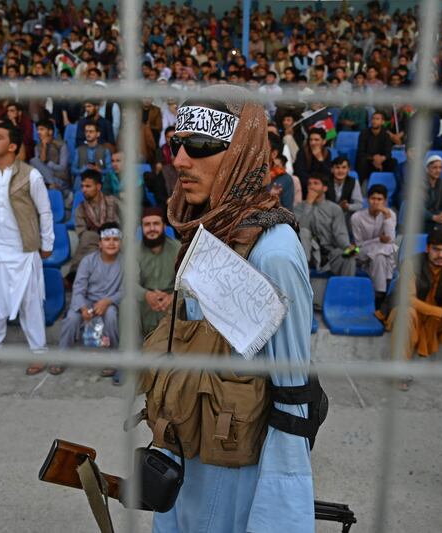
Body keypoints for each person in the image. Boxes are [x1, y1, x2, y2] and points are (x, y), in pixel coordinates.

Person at [154, 86, 314, 533]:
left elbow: (292, 396)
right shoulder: (205, 228)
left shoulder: (273, 252)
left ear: (240, 152)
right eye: (175, 144)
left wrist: (281, 512)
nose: (180, 160)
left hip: (234, 476)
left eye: (201, 146)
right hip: (187, 452)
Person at [0, 121, 54, 375]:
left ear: (13, 146)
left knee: (30, 303)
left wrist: (47, 243)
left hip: (23, 250)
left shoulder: (31, 175)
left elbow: (45, 211)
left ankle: (39, 352)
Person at [379, 227, 442, 392]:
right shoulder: (411, 263)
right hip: (406, 311)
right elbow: (408, 299)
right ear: (427, 248)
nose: (441, 255)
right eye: (436, 250)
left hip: (430, 316)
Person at [58, 222, 123, 377]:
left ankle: (114, 360)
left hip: (110, 303)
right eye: (107, 240)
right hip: (87, 301)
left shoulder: (125, 262)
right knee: (72, 318)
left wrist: (107, 301)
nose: (112, 243)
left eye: (115, 239)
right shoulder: (88, 261)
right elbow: (78, 287)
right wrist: (82, 308)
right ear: (100, 243)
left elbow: (126, 290)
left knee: (112, 315)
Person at [294, 173, 356, 276]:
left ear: (325, 188)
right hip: (307, 255)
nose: (311, 186)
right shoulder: (299, 207)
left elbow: (340, 233)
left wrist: (347, 247)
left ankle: (346, 290)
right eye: (309, 184)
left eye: (316, 183)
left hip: (330, 254)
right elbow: (300, 229)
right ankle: (304, 272)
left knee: (349, 256)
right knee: (304, 232)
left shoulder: (334, 209)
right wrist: (308, 204)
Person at [351, 184, 398, 305]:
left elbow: (391, 239)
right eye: (373, 199)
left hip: (381, 254)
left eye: (379, 199)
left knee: (380, 256)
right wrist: (378, 240)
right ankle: (383, 294)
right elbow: (358, 245)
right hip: (361, 253)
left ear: (385, 201)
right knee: (385, 250)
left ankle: (379, 294)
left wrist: (387, 217)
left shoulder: (390, 214)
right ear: (367, 200)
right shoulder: (357, 217)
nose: (376, 202)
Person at [137, 207, 180, 337]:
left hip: (171, 300)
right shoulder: (133, 251)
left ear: (164, 226)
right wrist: (146, 295)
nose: (151, 228)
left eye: (156, 224)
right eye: (147, 225)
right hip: (144, 301)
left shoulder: (178, 248)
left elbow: (187, 282)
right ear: (142, 228)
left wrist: (173, 297)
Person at [68, 169, 119, 275]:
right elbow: (81, 233)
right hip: (93, 245)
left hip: (115, 240)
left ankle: (74, 274)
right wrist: (100, 242)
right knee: (87, 238)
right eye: (82, 186)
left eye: (88, 186)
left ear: (98, 187)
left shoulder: (113, 202)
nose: (83, 190)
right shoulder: (80, 208)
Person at [30, 119, 70, 195]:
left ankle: (54, 186)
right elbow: (38, 165)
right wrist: (44, 147)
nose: (38, 132)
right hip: (44, 179)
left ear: (50, 132)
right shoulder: (37, 147)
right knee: (33, 163)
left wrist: (48, 164)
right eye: (38, 130)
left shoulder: (61, 145)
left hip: (59, 178)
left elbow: (62, 167)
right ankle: (52, 185)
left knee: (34, 161)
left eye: (42, 129)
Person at [355, 111, 396, 183]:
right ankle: (360, 186)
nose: (374, 121)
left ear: (382, 122)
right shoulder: (364, 133)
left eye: (377, 119)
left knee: (393, 162)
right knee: (361, 161)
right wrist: (373, 158)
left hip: (381, 162)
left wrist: (381, 159)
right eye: (373, 119)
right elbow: (361, 152)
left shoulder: (386, 134)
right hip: (368, 161)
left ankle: (389, 184)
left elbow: (388, 153)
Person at [325, 156, 363, 232]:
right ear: (332, 170)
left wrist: (347, 206)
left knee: (355, 216)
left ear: (348, 170)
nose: (340, 171)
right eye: (337, 168)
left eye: (344, 168)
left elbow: (359, 205)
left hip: (345, 215)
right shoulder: (325, 181)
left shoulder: (353, 182)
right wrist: (338, 207)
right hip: (328, 214)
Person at [292, 127, 332, 196]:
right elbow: (300, 173)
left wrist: (320, 159)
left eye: (316, 140)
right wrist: (313, 184)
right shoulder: (302, 152)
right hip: (305, 185)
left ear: (324, 141)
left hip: (321, 185)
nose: (313, 143)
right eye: (311, 140)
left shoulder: (327, 153)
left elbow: (327, 174)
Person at [421, 154, 442, 233]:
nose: (438, 170)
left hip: (437, 216)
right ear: (427, 169)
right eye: (434, 167)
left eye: (440, 168)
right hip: (422, 219)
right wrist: (433, 217)